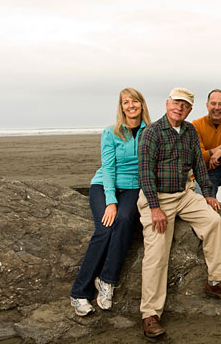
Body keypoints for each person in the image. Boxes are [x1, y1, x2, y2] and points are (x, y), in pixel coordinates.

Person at [137, 87, 221, 338]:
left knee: (213, 221)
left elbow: (198, 164)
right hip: (158, 198)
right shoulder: (152, 132)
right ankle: (150, 314)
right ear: (167, 103)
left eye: (184, 105)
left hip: (184, 194)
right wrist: (154, 207)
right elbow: (145, 173)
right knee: (157, 253)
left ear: (190, 110)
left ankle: (216, 281)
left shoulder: (189, 131)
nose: (179, 108)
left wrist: (207, 193)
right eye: (176, 103)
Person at [69, 87, 151, 316]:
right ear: (121, 106)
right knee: (105, 228)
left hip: (134, 188)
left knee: (125, 220)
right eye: (126, 102)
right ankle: (79, 293)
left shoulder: (151, 132)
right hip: (105, 185)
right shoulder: (110, 132)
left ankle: (106, 281)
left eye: (135, 101)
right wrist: (111, 201)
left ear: (142, 104)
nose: (131, 105)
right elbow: (108, 168)